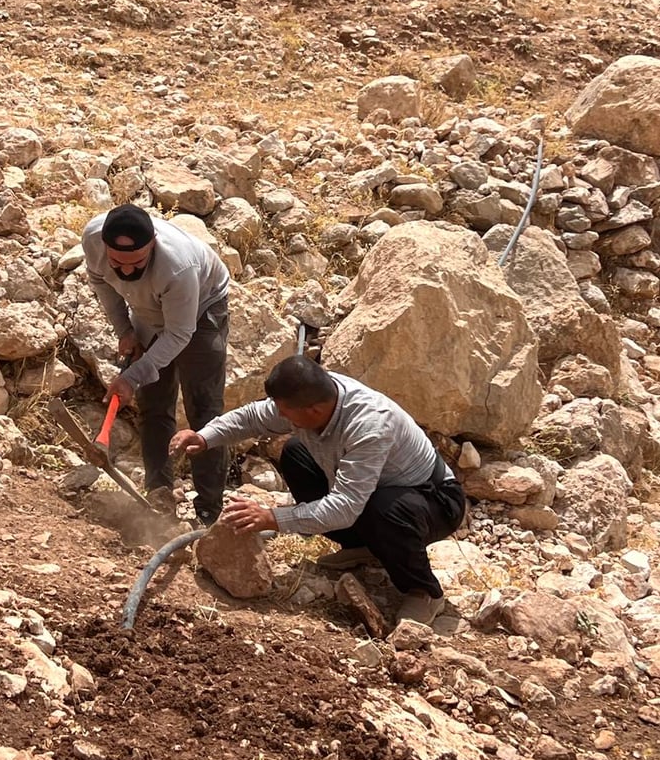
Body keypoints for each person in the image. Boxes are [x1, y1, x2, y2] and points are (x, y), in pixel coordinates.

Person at [170, 355, 466, 625]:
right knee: (297, 453)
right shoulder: (308, 399)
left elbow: (345, 507)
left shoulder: (370, 425)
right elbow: (251, 417)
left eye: (285, 413)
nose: (280, 417)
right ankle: (363, 548)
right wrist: (205, 437)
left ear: (313, 410)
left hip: (434, 500)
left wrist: (272, 517)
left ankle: (424, 590)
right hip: (374, 493)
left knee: (383, 509)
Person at [82, 204, 230, 525]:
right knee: (154, 403)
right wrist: (125, 331)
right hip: (149, 307)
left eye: (136, 263)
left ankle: (209, 510)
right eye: (116, 262)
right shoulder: (94, 239)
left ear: (152, 245)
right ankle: (159, 493)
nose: (126, 271)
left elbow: (180, 333)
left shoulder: (177, 267)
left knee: (203, 408)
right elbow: (102, 284)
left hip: (202, 308)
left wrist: (132, 377)